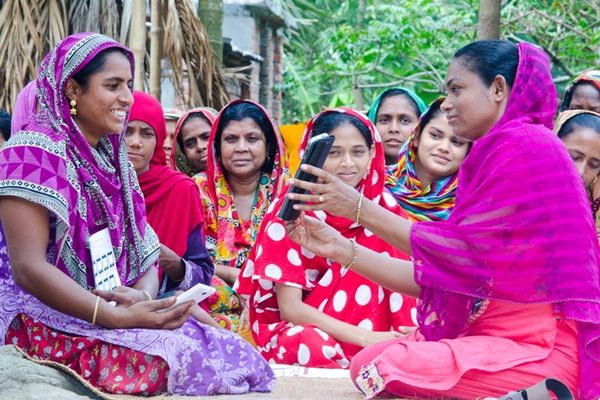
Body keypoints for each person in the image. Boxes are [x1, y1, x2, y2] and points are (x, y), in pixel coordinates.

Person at [284, 40, 600, 399]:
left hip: (540, 345)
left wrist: (359, 208)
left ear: (497, 89)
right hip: (492, 332)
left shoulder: (525, 146)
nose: (446, 104)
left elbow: (455, 257)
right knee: (369, 364)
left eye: (456, 89)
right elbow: (448, 273)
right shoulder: (494, 150)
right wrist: (339, 247)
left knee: (389, 370)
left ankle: (549, 388)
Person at [0, 33, 274, 396]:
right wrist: (110, 316)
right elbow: (29, 268)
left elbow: (145, 251)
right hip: (42, 314)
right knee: (180, 358)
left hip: (110, 308)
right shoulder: (31, 152)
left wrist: (143, 300)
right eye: (112, 85)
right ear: (72, 90)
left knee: (235, 353)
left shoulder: (115, 161)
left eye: (129, 85)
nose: (126, 98)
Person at [235, 108, 417, 368]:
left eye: (357, 152)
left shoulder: (383, 206)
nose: (347, 163)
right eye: (333, 153)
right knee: (308, 343)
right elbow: (291, 310)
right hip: (314, 330)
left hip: (384, 331)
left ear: (371, 155)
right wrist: (368, 339)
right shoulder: (291, 208)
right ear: (313, 157)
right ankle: (378, 355)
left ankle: (394, 350)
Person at [194, 99, 287, 331]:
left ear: (269, 146)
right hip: (214, 299)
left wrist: (258, 288)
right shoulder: (196, 189)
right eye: (231, 139)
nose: (241, 148)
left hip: (272, 296)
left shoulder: (286, 190)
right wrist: (238, 276)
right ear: (217, 146)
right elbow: (188, 261)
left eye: (252, 139)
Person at [124, 91, 214, 301]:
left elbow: (203, 275)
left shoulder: (180, 189)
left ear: (158, 140)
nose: (136, 142)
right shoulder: (98, 183)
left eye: (147, 133)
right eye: (127, 131)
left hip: (162, 304)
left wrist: (174, 263)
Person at [385, 98, 470, 221]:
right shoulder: (378, 182)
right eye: (435, 135)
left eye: (456, 142)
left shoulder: (471, 201)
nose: (444, 148)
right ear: (417, 136)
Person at [555, 110, 600, 237]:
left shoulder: (589, 221)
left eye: (594, 165)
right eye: (574, 157)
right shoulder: (517, 194)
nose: (580, 171)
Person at [367, 87, 427, 165]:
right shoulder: (355, 174)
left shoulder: (437, 174)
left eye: (405, 121)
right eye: (384, 120)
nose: (393, 129)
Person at [171, 107, 216, 176]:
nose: (200, 147)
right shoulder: (183, 186)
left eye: (207, 137)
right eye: (190, 144)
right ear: (183, 153)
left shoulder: (237, 178)